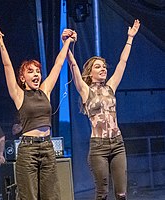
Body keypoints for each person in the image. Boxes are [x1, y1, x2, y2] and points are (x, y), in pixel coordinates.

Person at [0, 27, 76, 199]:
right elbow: (7, 66)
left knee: (51, 195)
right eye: (31, 71)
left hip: (47, 147)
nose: (36, 74)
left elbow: (58, 64)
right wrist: (1, 42)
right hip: (28, 150)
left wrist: (67, 42)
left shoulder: (45, 90)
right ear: (23, 77)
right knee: (29, 196)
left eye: (38, 71)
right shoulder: (19, 95)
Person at [67, 19, 140, 200]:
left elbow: (122, 62)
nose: (103, 69)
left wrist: (130, 38)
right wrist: (67, 44)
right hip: (98, 147)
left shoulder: (111, 87)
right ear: (90, 72)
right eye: (97, 66)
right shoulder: (85, 90)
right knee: (102, 193)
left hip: (117, 143)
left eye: (104, 66)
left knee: (121, 193)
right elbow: (73, 66)